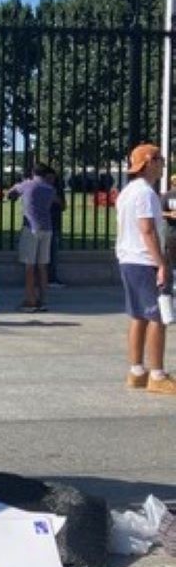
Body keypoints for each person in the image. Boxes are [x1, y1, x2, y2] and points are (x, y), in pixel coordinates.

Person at [115, 143, 176, 395]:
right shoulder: (145, 193)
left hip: (129, 259)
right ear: (149, 162)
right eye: (160, 159)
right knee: (157, 317)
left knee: (138, 315)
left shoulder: (127, 192)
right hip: (144, 260)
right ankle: (157, 375)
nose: (163, 163)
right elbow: (147, 230)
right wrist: (161, 263)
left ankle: (137, 371)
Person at [7, 163, 56, 312]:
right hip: (47, 228)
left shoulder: (27, 185)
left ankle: (30, 300)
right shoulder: (50, 189)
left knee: (29, 266)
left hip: (31, 228)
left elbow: (10, 194)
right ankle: (43, 299)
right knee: (42, 267)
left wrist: (16, 186)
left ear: (33, 172)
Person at [47, 166, 67, 287]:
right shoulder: (41, 189)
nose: (51, 180)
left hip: (54, 224)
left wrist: (56, 199)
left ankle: (52, 278)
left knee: (53, 254)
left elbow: (64, 206)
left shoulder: (57, 190)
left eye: (52, 177)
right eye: (48, 177)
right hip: (42, 225)